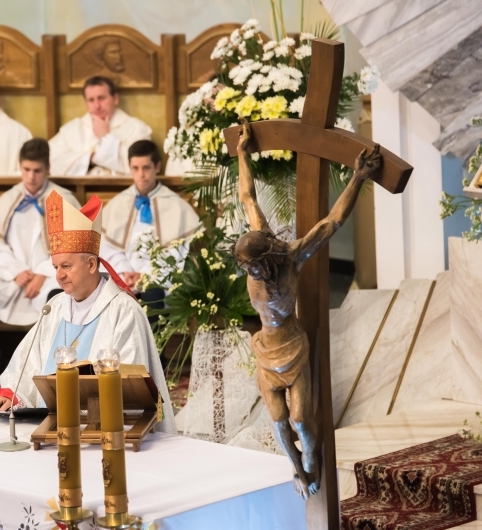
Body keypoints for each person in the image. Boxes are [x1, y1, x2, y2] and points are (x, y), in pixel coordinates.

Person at [233, 120, 382, 499]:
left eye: (254, 268)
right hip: (266, 348)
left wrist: (358, 177)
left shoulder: (290, 257)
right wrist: (242, 153)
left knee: (301, 419)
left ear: (267, 259)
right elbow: (247, 196)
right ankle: (297, 469)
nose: (251, 273)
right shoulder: (257, 240)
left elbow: (332, 222)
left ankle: (311, 457)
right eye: (246, 268)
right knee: (278, 421)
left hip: (293, 347)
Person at [0, 190, 176, 433]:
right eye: (55, 267)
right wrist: (13, 395)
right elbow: (26, 366)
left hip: (100, 433)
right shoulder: (55, 307)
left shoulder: (123, 311)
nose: (59, 275)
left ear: (91, 264)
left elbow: (130, 387)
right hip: (45, 426)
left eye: (66, 266)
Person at [0, 138, 80, 391]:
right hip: (16, 274)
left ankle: (45, 369)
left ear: (48, 169)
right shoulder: (9, 199)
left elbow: (72, 247)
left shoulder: (64, 199)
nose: (31, 177)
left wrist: (43, 272)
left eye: (37, 170)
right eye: (26, 169)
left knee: (57, 297)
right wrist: (15, 271)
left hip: (50, 275)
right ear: (20, 167)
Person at [100, 140, 199, 320]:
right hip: (124, 277)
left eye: (146, 167)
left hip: (159, 279)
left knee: (153, 296)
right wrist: (124, 271)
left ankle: (153, 340)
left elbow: (176, 254)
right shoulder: (117, 204)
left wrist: (145, 275)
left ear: (157, 167)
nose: (141, 174)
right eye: (135, 168)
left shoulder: (176, 206)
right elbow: (108, 247)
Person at [49, 76, 151, 176]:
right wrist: (91, 158)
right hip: (79, 187)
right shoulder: (72, 129)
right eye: (91, 100)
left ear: (115, 99)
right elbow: (50, 160)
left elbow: (143, 163)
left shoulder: (137, 128)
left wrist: (106, 136)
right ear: (86, 103)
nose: (97, 106)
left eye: (101, 98)